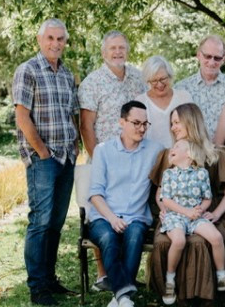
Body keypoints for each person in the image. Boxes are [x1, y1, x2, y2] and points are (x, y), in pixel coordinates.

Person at [12, 18, 79, 306]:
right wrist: (41, 152)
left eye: (60, 39)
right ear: (40, 40)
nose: (55, 43)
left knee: (55, 222)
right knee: (40, 222)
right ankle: (38, 288)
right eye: (50, 38)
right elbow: (22, 117)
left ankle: (50, 279)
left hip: (67, 157)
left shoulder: (66, 74)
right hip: (43, 159)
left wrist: (76, 145)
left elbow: (71, 113)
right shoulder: (27, 70)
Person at [149, 103, 225, 306]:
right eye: (172, 123)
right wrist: (164, 210)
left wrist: (216, 214)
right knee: (165, 241)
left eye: (177, 122)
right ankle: (171, 290)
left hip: (207, 214)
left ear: (191, 122)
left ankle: (203, 297)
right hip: (174, 214)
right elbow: (160, 194)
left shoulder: (216, 154)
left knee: (199, 241)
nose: (173, 127)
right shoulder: (171, 154)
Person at [78, 30, 145, 289]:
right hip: (103, 157)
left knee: (129, 211)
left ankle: (125, 272)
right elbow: (86, 125)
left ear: (127, 50)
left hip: (133, 157)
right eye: (112, 48)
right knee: (101, 213)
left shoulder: (138, 78)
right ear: (103, 52)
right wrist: (98, 158)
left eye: (121, 48)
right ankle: (103, 274)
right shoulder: (92, 82)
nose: (117, 52)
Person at [88, 101, 164, 307]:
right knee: (108, 238)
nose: (142, 128)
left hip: (136, 217)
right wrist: (112, 219)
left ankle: (120, 297)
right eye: (136, 123)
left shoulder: (155, 150)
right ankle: (124, 295)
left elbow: (171, 174)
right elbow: (95, 194)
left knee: (135, 235)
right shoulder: (103, 150)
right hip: (104, 216)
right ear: (122, 122)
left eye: (145, 124)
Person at [160, 139, 225, 305]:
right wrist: (186, 212)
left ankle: (221, 277)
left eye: (177, 147)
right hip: (175, 216)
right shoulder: (168, 174)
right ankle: (170, 281)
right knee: (179, 241)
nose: (172, 149)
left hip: (196, 216)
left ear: (189, 155)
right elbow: (166, 200)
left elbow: (207, 198)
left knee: (216, 238)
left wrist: (199, 210)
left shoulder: (201, 173)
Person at [175, 35, 225, 139]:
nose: (211, 62)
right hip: (191, 148)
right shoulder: (181, 88)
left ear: (223, 59)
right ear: (198, 55)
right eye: (207, 56)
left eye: (217, 58)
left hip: (224, 148)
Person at [135, 55, 192, 147]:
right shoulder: (140, 102)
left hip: (182, 153)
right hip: (151, 155)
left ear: (170, 76)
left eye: (163, 79)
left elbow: (194, 130)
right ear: (148, 81)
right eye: (154, 81)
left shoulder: (184, 97)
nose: (159, 84)